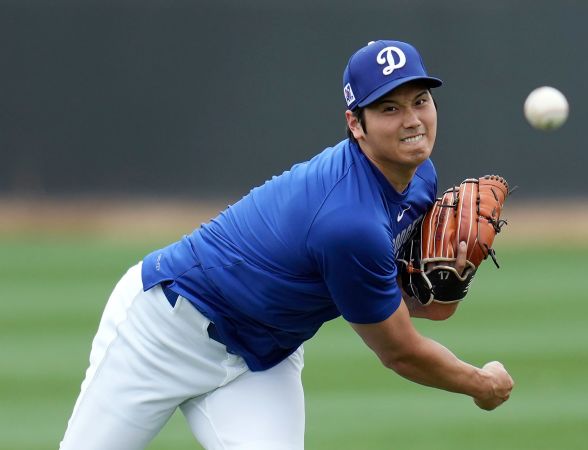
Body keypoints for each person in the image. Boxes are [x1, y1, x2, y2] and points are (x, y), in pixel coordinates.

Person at [60, 39, 514, 450]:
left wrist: (440, 287)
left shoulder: (420, 179)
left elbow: (405, 300)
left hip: (262, 357)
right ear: (356, 124)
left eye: (420, 100)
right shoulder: (347, 222)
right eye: (389, 109)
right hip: (165, 331)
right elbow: (398, 351)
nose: (413, 120)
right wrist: (480, 384)